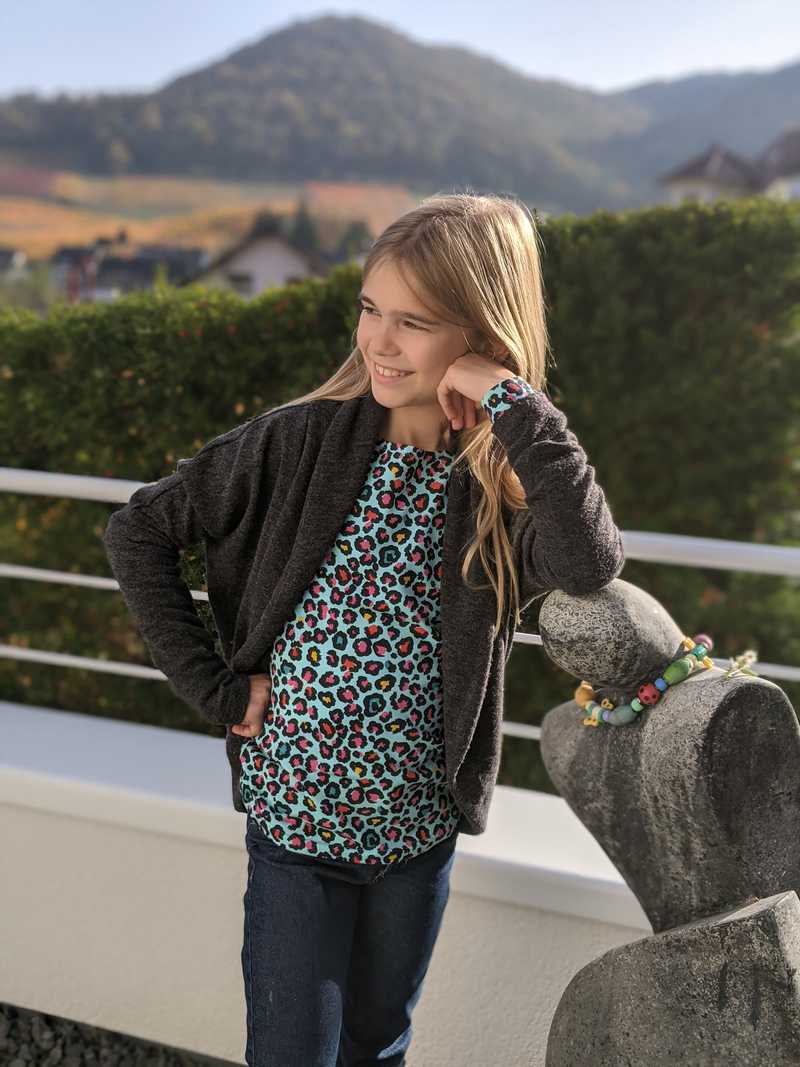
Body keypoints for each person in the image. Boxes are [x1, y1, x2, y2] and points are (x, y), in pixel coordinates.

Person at [102, 190, 625, 1067]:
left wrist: (512, 401)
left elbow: (589, 559)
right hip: (296, 830)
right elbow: (139, 530)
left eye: (412, 322)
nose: (379, 340)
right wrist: (214, 686)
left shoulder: (495, 495)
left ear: (482, 335)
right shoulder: (296, 442)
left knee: (378, 1047)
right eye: (370, 308)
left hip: (417, 841)